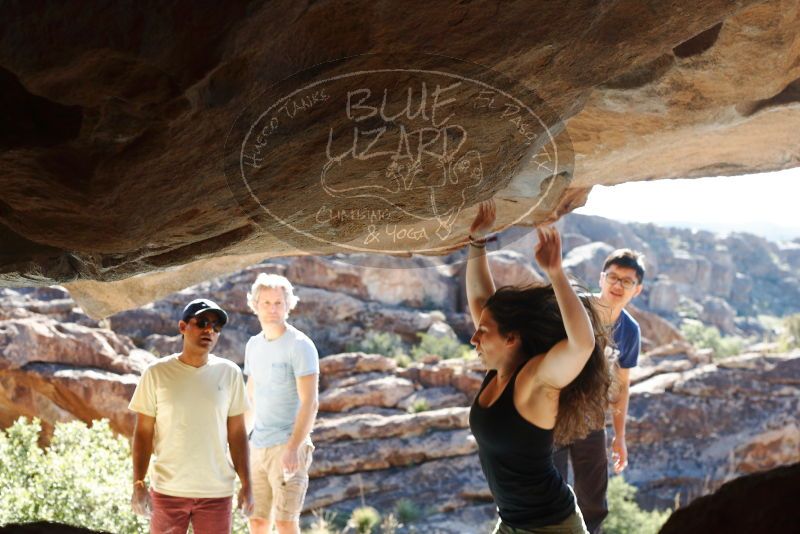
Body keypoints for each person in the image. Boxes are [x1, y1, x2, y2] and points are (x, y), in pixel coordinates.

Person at [466, 200, 610, 534]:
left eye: (483, 332)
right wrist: (477, 242)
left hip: (552, 527)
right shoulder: (498, 368)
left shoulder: (534, 381)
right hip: (512, 522)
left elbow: (581, 345)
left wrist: (556, 274)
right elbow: (479, 300)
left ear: (512, 338)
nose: (473, 338)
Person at [129, 298, 253, 534]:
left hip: (216, 494)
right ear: (182, 327)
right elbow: (143, 434)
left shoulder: (230, 374)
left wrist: (247, 484)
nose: (210, 330)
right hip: (168, 491)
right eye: (202, 322)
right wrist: (139, 483)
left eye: (216, 327)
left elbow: (237, 434)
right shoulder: (156, 373)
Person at [553, 248, 645, 533]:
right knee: (547, 488)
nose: (618, 285)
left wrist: (620, 436)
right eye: (613, 277)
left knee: (593, 498)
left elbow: (621, 386)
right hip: (550, 410)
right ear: (602, 278)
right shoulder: (574, 308)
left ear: (637, 289)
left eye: (626, 281)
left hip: (591, 417)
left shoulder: (629, 331)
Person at [244, 274, 320, 534]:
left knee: (286, 522)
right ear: (255, 305)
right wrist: (240, 442)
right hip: (258, 447)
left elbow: (310, 402)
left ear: (288, 305)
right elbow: (250, 397)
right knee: (257, 521)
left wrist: (293, 447)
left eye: (278, 302)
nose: (272, 309)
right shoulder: (253, 345)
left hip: (288, 446)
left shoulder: (300, 345)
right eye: (266, 302)